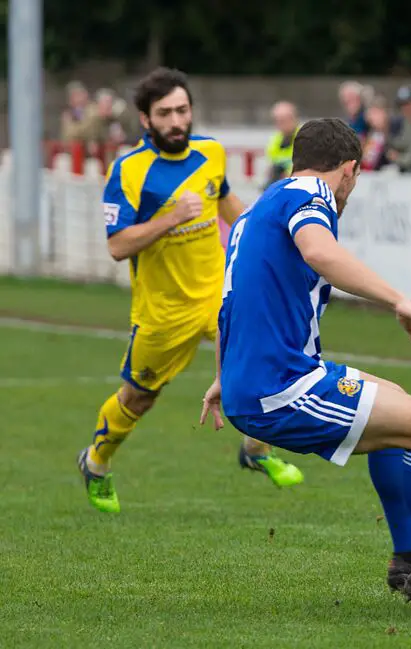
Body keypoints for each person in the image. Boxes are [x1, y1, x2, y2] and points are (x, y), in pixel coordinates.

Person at [198, 117, 411, 618]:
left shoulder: (256, 210)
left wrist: (225, 378)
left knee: (398, 404)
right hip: (283, 386)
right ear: (350, 170)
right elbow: (319, 250)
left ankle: (409, 561)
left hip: (260, 381)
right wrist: (399, 299)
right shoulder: (312, 196)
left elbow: (229, 303)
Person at [77, 68, 303, 514]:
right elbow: (117, 246)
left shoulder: (211, 152)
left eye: (182, 110)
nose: (177, 120)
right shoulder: (129, 171)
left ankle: (255, 451)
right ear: (146, 120)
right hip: (163, 310)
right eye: (165, 113)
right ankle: (96, 461)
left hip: (218, 290)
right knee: (139, 398)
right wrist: (171, 217)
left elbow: (227, 202)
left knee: (265, 357)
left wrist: (266, 234)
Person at [264, 101, 301, 189]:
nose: (280, 124)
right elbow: (272, 164)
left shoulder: (304, 137)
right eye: (277, 120)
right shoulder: (275, 140)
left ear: (294, 118)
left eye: (283, 120)